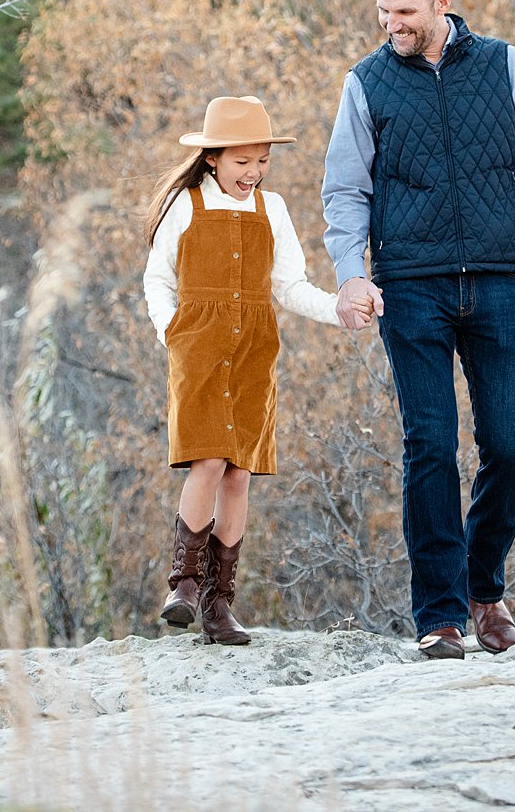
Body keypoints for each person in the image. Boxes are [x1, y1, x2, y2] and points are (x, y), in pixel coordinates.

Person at [322, 0, 515, 659]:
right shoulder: (365, 83)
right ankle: (441, 614)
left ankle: (486, 587)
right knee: (429, 446)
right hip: (410, 285)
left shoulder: (503, 65)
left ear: (442, 2)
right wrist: (349, 272)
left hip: (496, 278)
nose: (391, 23)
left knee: (510, 444)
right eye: (383, 11)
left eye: (405, 11)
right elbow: (345, 189)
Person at [143, 95, 363, 644]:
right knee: (210, 460)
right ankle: (184, 585)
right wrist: (174, 335)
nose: (254, 172)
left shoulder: (275, 209)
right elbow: (157, 282)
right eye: (243, 161)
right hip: (197, 351)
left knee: (239, 473)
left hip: (253, 355)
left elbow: (287, 287)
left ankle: (220, 607)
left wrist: (338, 308)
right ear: (214, 158)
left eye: (262, 160)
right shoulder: (185, 205)